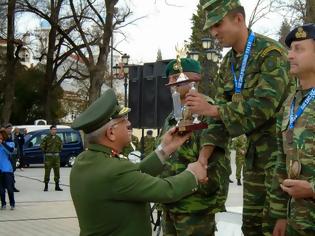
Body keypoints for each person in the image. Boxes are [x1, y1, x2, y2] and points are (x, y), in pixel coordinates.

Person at [185, 0, 293, 235]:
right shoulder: (228, 63)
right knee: (251, 228)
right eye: (210, 28)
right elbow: (219, 120)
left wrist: (214, 109)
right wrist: (203, 159)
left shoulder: (271, 54)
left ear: (238, 19)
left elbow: (263, 107)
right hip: (254, 158)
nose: (213, 33)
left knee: (276, 227)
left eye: (217, 25)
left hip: (281, 159)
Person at [70, 88, 208, 236]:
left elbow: (136, 175)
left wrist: (165, 149)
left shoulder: (85, 160)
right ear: (111, 133)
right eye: (124, 121)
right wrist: (193, 174)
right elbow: (166, 190)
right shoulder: (114, 170)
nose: (129, 123)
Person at [157, 58, 225, 235]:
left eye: (176, 79)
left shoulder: (209, 111)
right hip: (169, 202)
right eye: (170, 80)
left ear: (193, 80)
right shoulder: (173, 115)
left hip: (195, 206)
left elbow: (213, 155)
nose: (171, 84)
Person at [270, 24, 315, 236]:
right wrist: (280, 214)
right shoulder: (290, 103)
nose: (289, 56)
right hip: (296, 222)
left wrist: (312, 189)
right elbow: (282, 160)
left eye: (299, 49)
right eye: (290, 49)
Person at [40, 125, 63, 192]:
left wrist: (58, 150)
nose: (54, 131)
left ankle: (57, 186)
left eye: (55, 129)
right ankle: (46, 186)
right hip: (48, 157)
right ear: (50, 130)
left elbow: (61, 146)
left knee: (57, 171)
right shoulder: (46, 138)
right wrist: (45, 151)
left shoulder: (58, 138)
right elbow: (42, 146)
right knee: (47, 171)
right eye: (53, 129)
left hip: (56, 157)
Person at [0, 130, 16, 210]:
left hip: (7, 169)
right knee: (1, 189)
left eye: (0, 135)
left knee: (9, 188)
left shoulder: (10, 143)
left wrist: (2, 143)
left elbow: (10, 151)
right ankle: (3, 204)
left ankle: (12, 203)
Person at [4, 123, 19, 192]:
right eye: (9, 128)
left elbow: (17, 146)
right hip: (5, 157)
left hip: (12, 156)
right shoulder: (3, 136)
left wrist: (17, 156)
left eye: (11, 128)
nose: (10, 130)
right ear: (6, 129)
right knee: (4, 172)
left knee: (12, 171)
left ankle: (12, 186)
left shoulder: (13, 136)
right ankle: (4, 187)